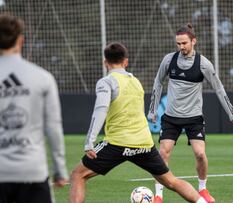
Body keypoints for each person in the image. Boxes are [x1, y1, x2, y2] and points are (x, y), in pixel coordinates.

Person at [69, 42, 208, 203]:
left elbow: (100, 110)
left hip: (117, 143)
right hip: (144, 143)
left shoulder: (106, 82)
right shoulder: (136, 82)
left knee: (78, 175)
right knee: (171, 181)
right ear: (126, 62)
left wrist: (89, 141)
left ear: (105, 62)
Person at [148, 23, 233, 203]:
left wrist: (232, 114)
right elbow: (157, 83)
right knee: (163, 153)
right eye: (178, 44)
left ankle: (203, 189)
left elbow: (219, 89)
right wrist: (152, 111)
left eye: (184, 43)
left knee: (200, 154)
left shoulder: (204, 64)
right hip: (171, 118)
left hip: (194, 118)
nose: (181, 47)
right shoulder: (169, 60)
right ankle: (158, 195)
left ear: (193, 41)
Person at [0, 13, 69, 203]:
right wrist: (60, 170)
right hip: (32, 172)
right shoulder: (43, 78)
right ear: (21, 40)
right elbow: (53, 127)